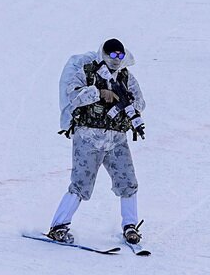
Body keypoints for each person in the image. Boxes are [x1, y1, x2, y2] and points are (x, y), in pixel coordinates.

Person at [46, 38, 147, 246]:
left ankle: (130, 226)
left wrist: (124, 99)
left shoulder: (126, 77)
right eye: (112, 55)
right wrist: (99, 93)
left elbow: (140, 102)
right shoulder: (88, 70)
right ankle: (58, 226)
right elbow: (73, 95)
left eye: (120, 56)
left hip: (116, 139)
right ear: (104, 53)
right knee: (80, 184)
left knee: (128, 182)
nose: (116, 60)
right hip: (88, 137)